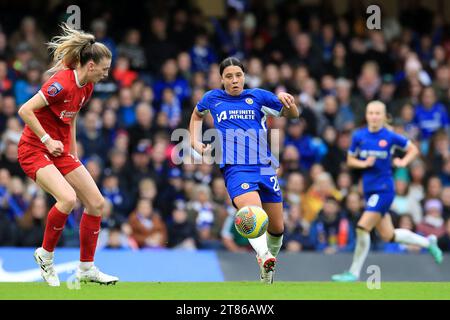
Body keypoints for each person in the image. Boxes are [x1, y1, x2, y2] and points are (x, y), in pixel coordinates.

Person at [17, 23, 118, 286]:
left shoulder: (87, 87)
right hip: (35, 149)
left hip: (60, 149)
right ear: (91, 65)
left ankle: (86, 268)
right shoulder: (60, 83)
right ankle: (45, 255)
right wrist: (47, 139)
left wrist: (72, 151)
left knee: (96, 203)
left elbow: (70, 118)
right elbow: (25, 110)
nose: (107, 74)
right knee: (67, 199)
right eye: (104, 69)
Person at [189, 57, 299, 284]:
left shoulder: (258, 97)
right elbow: (196, 115)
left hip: (264, 166)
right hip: (235, 167)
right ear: (221, 79)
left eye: (238, 75)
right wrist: (194, 141)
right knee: (253, 214)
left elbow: (293, 115)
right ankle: (265, 255)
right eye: (228, 76)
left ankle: (267, 270)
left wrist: (289, 102)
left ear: (244, 77)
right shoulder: (212, 98)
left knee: (277, 228)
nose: (234, 80)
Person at [332, 101, 443, 282]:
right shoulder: (359, 136)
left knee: (362, 227)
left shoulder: (390, 137)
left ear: (384, 117)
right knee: (388, 235)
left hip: (384, 190)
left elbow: (413, 149)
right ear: (367, 116)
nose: (374, 116)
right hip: (369, 191)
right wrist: (363, 163)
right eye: (371, 113)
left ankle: (353, 272)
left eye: (377, 113)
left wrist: (404, 162)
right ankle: (428, 242)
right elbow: (350, 160)